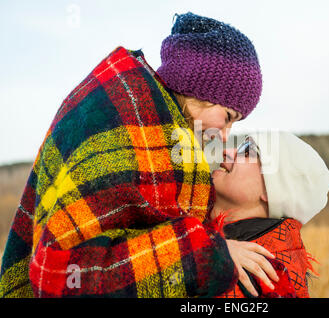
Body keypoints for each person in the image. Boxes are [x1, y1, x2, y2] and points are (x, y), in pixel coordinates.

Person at [0, 12, 276, 298]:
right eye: (228, 116)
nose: (225, 133)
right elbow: (60, 274)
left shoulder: (138, 110)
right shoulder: (126, 121)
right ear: (201, 89)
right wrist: (208, 256)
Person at [208, 131, 329, 298]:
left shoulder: (261, 281)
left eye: (247, 151)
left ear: (273, 192)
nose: (227, 151)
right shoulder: (214, 247)